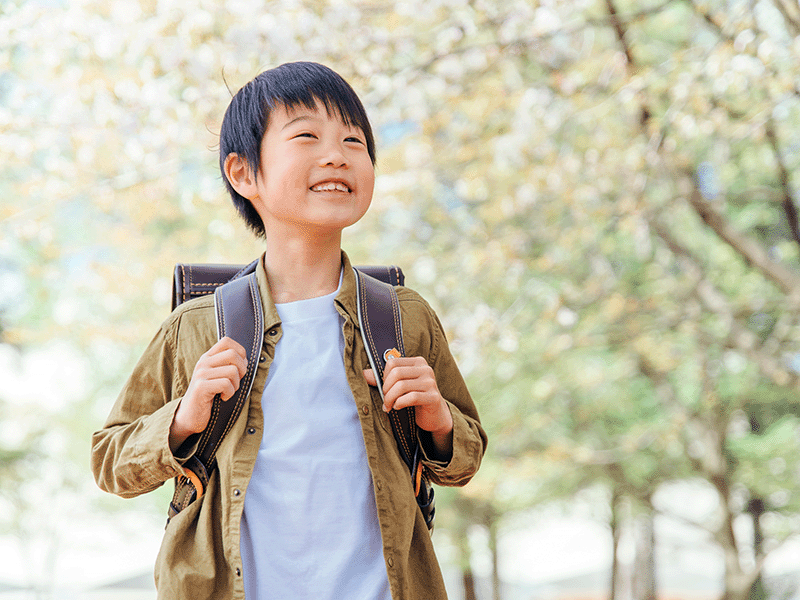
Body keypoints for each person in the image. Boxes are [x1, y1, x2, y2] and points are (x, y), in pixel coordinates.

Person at [91, 61, 487, 600]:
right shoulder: (198, 326)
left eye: (355, 140)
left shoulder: (401, 317)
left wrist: (439, 421)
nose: (337, 154)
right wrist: (182, 419)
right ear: (243, 173)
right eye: (306, 136)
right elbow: (109, 461)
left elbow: (463, 460)